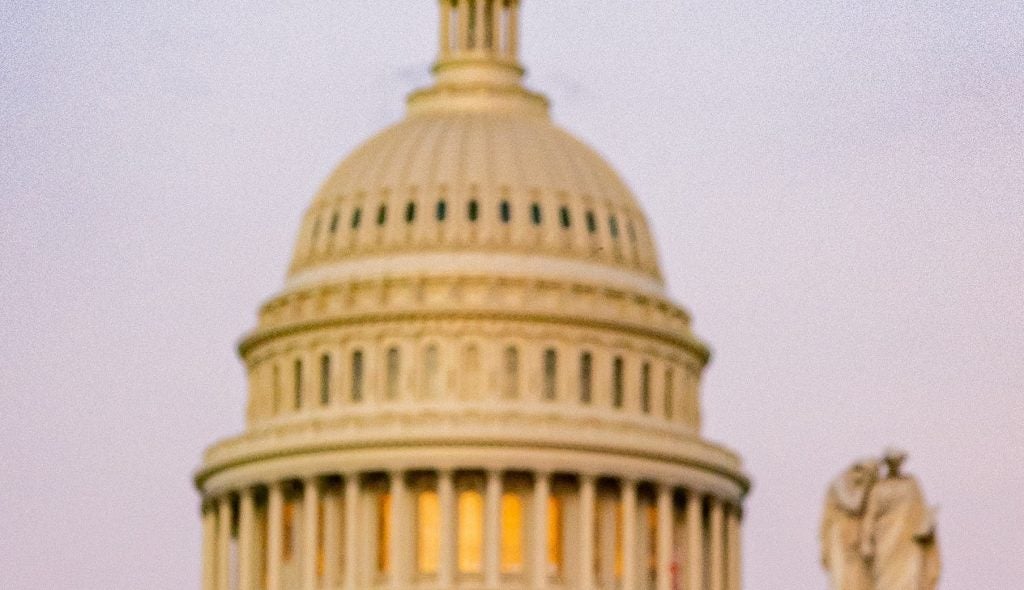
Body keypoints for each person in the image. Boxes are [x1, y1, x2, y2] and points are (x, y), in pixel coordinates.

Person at [859, 449, 941, 590]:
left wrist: (927, 525)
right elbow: (870, 517)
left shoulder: (911, 484)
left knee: (910, 578)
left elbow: (920, 509)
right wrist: (866, 542)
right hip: (885, 539)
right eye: (891, 462)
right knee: (885, 580)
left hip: (908, 539)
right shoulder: (879, 488)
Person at [820, 459, 879, 590]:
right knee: (845, 579)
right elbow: (854, 504)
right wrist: (867, 485)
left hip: (856, 540)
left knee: (861, 579)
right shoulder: (840, 483)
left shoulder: (860, 486)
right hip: (840, 538)